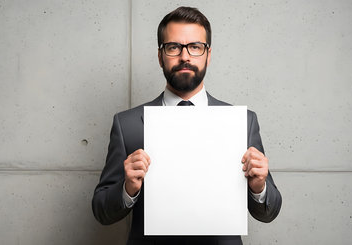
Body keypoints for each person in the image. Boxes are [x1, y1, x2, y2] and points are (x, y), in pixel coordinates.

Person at [92, 6, 282, 245]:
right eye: (173, 47)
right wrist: (127, 188)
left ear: (208, 55)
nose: (185, 56)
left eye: (195, 47)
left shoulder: (243, 122)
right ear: (160, 56)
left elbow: (269, 212)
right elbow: (101, 211)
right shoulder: (127, 124)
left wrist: (259, 186)